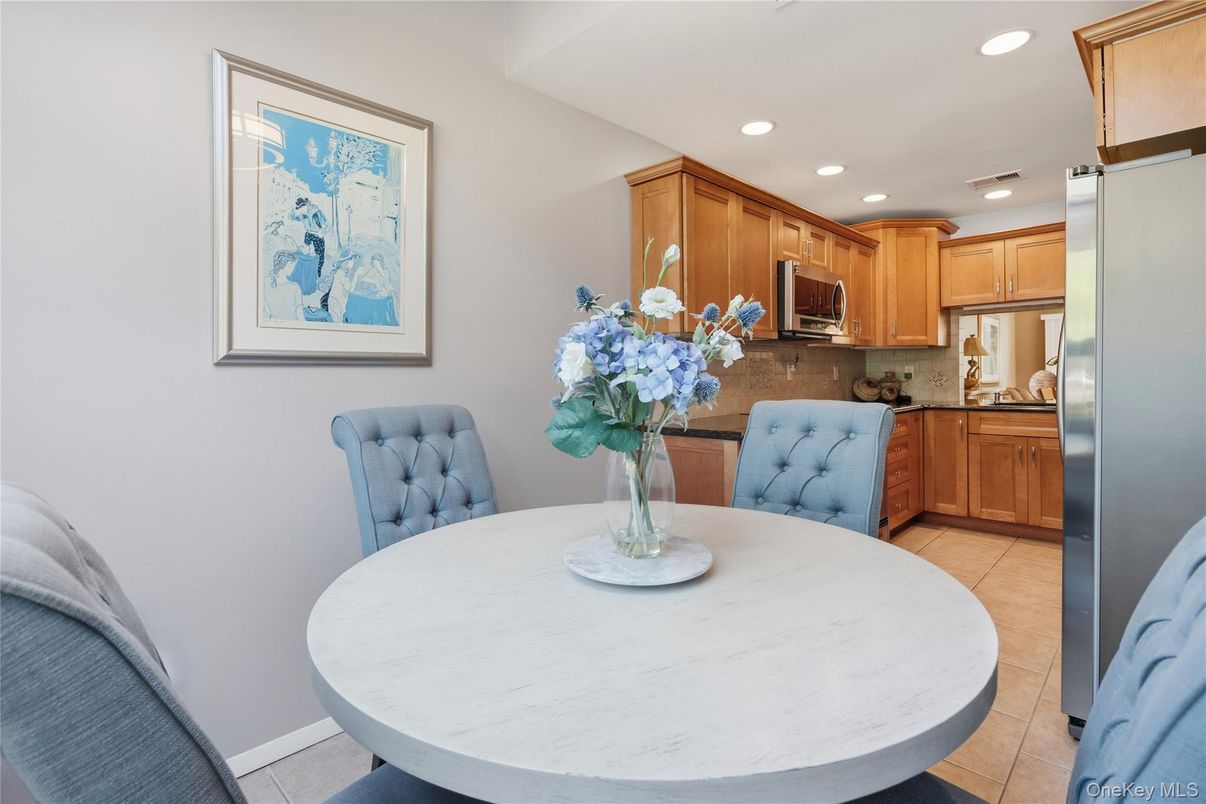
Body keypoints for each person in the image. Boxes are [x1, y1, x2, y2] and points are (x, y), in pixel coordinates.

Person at [289, 197, 327, 276]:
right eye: (300, 207)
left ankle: (317, 273)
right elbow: (293, 218)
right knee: (306, 254)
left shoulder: (316, 212)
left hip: (317, 235)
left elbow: (324, 224)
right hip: (310, 234)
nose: (303, 208)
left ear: (308, 204)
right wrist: (292, 211)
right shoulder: (303, 215)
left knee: (318, 256)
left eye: (303, 206)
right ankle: (309, 272)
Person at [263, 251, 303, 321]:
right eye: (293, 265)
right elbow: (300, 314)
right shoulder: (294, 287)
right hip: (292, 324)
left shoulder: (265, 281)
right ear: (288, 264)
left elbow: (265, 308)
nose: (293, 269)